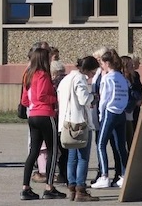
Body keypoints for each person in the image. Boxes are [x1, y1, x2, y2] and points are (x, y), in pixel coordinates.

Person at [20, 47, 66, 200]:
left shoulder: (28, 74)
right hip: (46, 114)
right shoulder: (43, 75)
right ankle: (49, 187)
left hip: (33, 115)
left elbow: (24, 100)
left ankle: (25, 187)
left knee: (33, 151)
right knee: (53, 151)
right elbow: (42, 96)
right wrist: (55, 100)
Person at [58, 55, 101, 202]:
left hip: (66, 122)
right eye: (93, 72)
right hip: (80, 124)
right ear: (87, 70)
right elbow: (84, 99)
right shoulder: (80, 79)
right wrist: (93, 97)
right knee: (83, 157)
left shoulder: (66, 79)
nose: (92, 76)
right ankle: (81, 189)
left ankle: (71, 188)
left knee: (71, 157)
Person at [91, 49, 129, 190]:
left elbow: (104, 98)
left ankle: (104, 175)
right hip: (121, 113)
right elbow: (126, 95)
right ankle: (125, 175)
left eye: (102, 63)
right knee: (120, 146)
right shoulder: (121, 77)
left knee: (101, 144)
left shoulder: (107, 78)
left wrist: (101, 113)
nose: (101, 66)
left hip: (110, 112)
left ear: (107, 63)